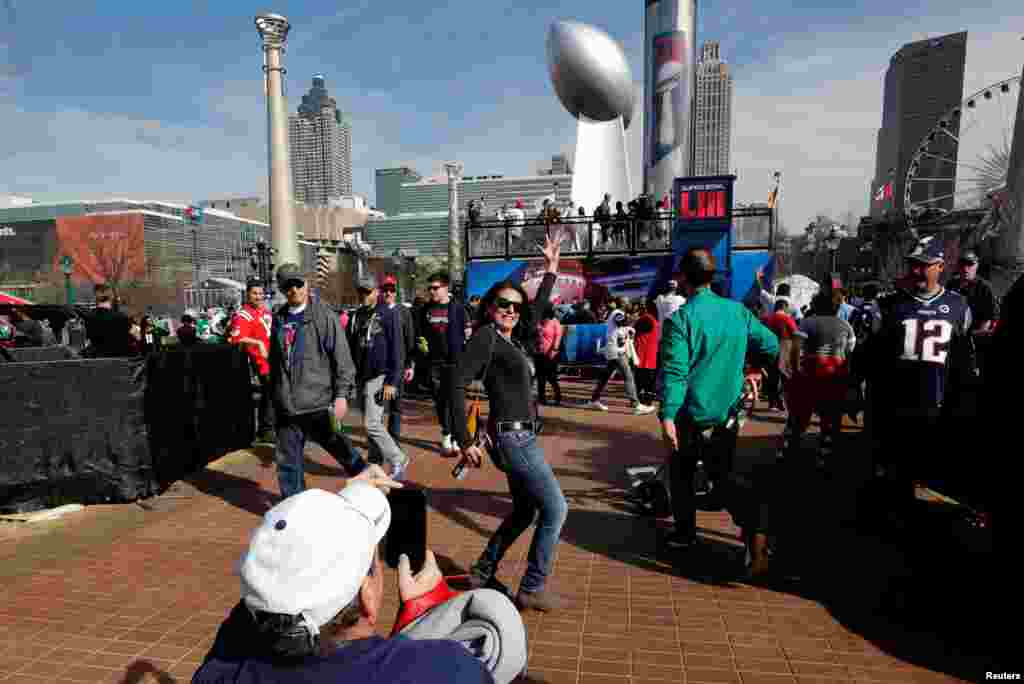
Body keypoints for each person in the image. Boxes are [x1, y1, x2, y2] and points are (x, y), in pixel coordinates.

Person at [192, 479, 516, 684]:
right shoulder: (446, 670)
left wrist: (347, 502)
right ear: (367, 596)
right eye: (373, 564)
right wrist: (423, 612)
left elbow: (256, 605)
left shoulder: (223, 671)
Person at [450, 233, 569, 612]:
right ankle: (532, 587)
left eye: (516, 307)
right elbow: (454, 382)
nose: (512, 312)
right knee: (555, 509)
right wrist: (465, 438)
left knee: (525, 510)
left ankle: (483, 570)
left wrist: (550, 270)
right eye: (504, 305)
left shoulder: (513, 339)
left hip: (516, 437)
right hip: (513, 440)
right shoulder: (486, 338)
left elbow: (537, 310)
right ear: (490, 307)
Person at [659, 248, 779, 573]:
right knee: (720, 473)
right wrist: (753, 370)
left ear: (683, 278)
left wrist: (667, 414)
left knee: (684, 472)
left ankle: (699, 531)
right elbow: (771, 344)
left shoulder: (681, 320)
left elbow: (675, 373)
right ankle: (753, 526)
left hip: (691, 414)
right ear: (712, 277)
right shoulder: (737, 312)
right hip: (728, 414)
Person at [861, 237, 976, 528]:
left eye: (923, 265)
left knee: (932, 478)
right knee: (894, 477)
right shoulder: (888, 305)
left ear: (940, 266)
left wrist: (964, 402)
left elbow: (963, 363)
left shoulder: (959, 306)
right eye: (912, 264)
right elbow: (869, 355)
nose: (916, 271)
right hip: (895, 408)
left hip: (938, 408)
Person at [270, 264, 369, 500]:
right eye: (288, 285)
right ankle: (295, 507)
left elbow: (343, 360)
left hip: (319, 404)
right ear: (282, 289)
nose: (294, 289)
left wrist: (342, 395)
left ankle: (372, 487)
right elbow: (275, 363)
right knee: (288, 466)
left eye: (298, 283)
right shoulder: (279, 320)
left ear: (307, 284)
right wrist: (275, 397)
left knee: (344, 451)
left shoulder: (324, 316)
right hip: (287, 408)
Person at [780, 292, 856, 467]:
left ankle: (786, 449)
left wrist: (796, 368)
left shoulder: (807, 322)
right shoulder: (846, 325)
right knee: (830, 416)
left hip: (810, 371)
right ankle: (825, 451)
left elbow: (796, 347)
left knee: (799, 414)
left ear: (815, 305)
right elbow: (850, 354)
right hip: (835, 374)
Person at [348, 273, 410, 480]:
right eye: (360, 291)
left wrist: (392, 380)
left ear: (376, 292)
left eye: (367, 291)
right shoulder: (356, 315)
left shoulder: (388, 313)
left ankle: (398, 458)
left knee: (371, 423)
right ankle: (375, 461)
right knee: (370, 425)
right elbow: (352, 347)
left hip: (380, 375)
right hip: (361, 375)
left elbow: (397, 349)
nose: (363, 295)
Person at [415, 271, 467, 455]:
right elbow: (419, 332)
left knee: (456, 401)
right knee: (440, 401)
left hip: (455, 362)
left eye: (435, 288)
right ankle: (446, 433)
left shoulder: (459, 309)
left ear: (446, 288)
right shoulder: (425, 310)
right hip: (434, 362)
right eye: (430, 288)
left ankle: (457, 436)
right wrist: (421, 344)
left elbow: (467, 334)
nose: (432, 291)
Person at [229, 278, 276, 444]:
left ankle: (271, 427)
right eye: (255, 293)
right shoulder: (244, 315)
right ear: (247, 294)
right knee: (269, 393)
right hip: (260, 360)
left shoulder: (265, 312)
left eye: (261, 293)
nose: (258, 296)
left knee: (273, 393)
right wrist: (258, 343)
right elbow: (236, 338)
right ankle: (266, 429)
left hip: (273, 359)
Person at [586, 309, 656, 415]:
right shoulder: (616, 321)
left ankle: (593, 400)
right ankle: (636, 405)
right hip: (616, 354)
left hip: (613, 353)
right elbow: (619, 325)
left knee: (605, 378)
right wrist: (629, 325)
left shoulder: (616, 325)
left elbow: (623, 328)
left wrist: (629, 328)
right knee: (628, 377)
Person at [381, 274, 417, 446]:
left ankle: (393, 439)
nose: (388, 293)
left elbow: (410, 338)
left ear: (395, 292)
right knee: (378, 406)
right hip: (379, 365)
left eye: (391, 290)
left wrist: (410, 364)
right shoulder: (377, 309)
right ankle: (379, 440)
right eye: (385, 290)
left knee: (396, 405)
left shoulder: (403, 311)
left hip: (399, 364)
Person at [761, 299, 799, 411]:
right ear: (785, 308)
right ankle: (781, 401)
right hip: (785, 348)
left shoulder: (766, 318)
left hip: (770, 348)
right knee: (784, 377)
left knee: (772, 376)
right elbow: (795, 333)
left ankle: (772, 403)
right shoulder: (787, 319)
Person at [83, 283, 134, 357]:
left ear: (95, 297)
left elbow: (87, 339)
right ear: (111, 297)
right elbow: (137, 336)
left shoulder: (88, 317)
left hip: (97, 360)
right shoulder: (122, 317)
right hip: (120, 361)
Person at [633, 300, 660, 404]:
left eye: (642, 306)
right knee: (647, 380)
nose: (640, 307)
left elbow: (634, 329)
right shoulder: (652, 319)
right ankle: (646, 399)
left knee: (641, 379)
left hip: (644, 353)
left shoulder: (646, 319)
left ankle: (642, 400)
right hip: (649, 353)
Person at [535, 306, 563, 406]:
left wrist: (554, 350)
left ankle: (558, 396)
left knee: (551, 377)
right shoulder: (537, 321)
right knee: (540, 378)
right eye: (544, 317)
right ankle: (542, 399)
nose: (546, 319)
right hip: (539, 353)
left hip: (551, 354)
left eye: (548, 318)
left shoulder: (555, 323)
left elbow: (558, 337)